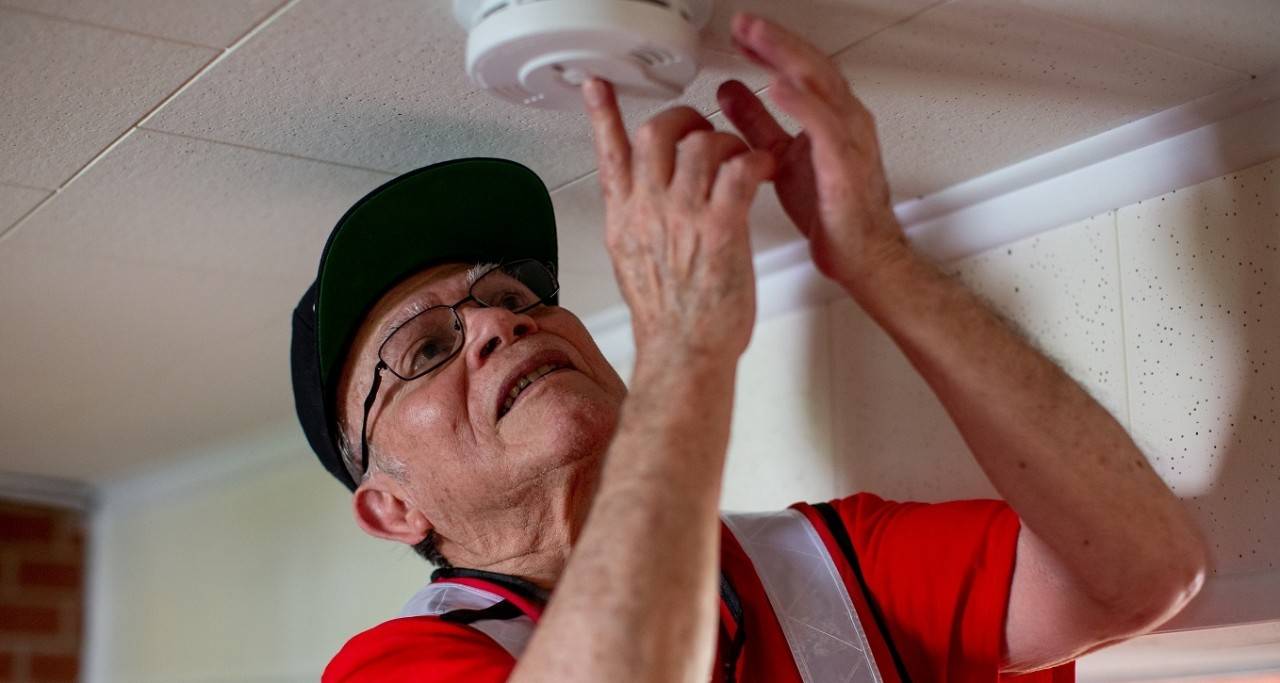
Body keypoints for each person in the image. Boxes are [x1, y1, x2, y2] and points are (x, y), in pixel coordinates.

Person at [290, 13, 1208, 683]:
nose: (499, 321)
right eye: (424, 348)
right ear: (390, 507)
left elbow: (1138, 571)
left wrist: (879, 259)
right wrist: (686, 344)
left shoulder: (826, 564)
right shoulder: (394, 666)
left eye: (515, 295)